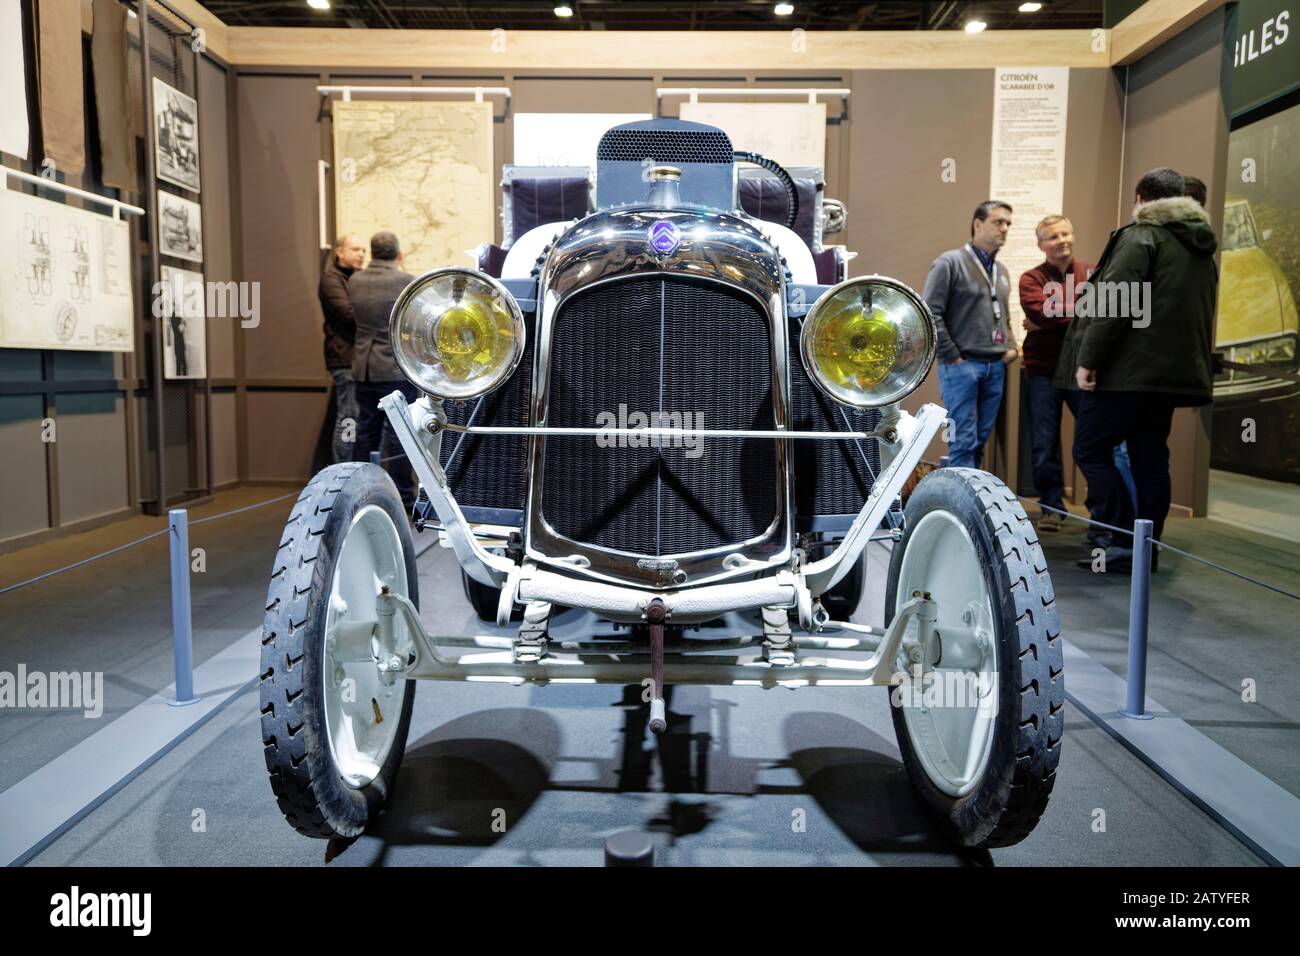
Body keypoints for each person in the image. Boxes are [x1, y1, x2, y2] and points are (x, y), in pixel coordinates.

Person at [1056, 168, 1218, 570]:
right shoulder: (1199, 247)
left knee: (1090, 449)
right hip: (1167, 377)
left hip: (1126, 374)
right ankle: (1147, 547)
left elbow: (1114, 303)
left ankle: (1122, 538)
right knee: (1150, 458)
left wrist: (1088, 361)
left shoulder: (1141, 235)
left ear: (1140, 199)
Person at [922, 200, 1019, 469]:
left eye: (1008, 224)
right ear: (978, 224)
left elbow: (1003, 314)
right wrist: (953, 358)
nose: (1004, 229)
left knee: (979, 441)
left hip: (995, 367)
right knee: (962, 442)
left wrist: (1010, 347)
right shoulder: (950, 263)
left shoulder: (1001, 271)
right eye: (998, 222)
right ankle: (958, 508)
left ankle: (971, 503)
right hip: (962, 368)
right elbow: (931, 312)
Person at [1018, 215, 1092, 532]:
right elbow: (1040, 311)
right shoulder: (1029, 278)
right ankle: (1051, 508)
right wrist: (1077, 310)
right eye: (1052, 237)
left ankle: (1102, 510)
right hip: (1043, 373)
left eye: (1065, 233)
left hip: (1082, 371)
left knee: (1093, 441)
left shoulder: (1093, 274)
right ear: (1041, 245)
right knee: (1044, 442)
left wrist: (1053, 314)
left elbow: (1101, 311)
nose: (1061, 240)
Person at [350, 231, 418, 510]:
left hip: (363, 367)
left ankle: (358, 489)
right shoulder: (405, 281)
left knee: (365, 431)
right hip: (393, 368)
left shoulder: (355, 280)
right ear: (397, 253)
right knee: (399, 434)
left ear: (372, 252)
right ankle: (403, 495)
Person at [320, 234, 366, 463]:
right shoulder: (331, 279)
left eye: (363, 251)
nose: (361, 254)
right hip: (344, 359)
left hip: (358, 360)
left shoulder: (357, 278)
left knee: (356, 417)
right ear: (339, 251)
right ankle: (342, 470)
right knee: (349, 418)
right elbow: (348, 313)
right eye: (355, 249)